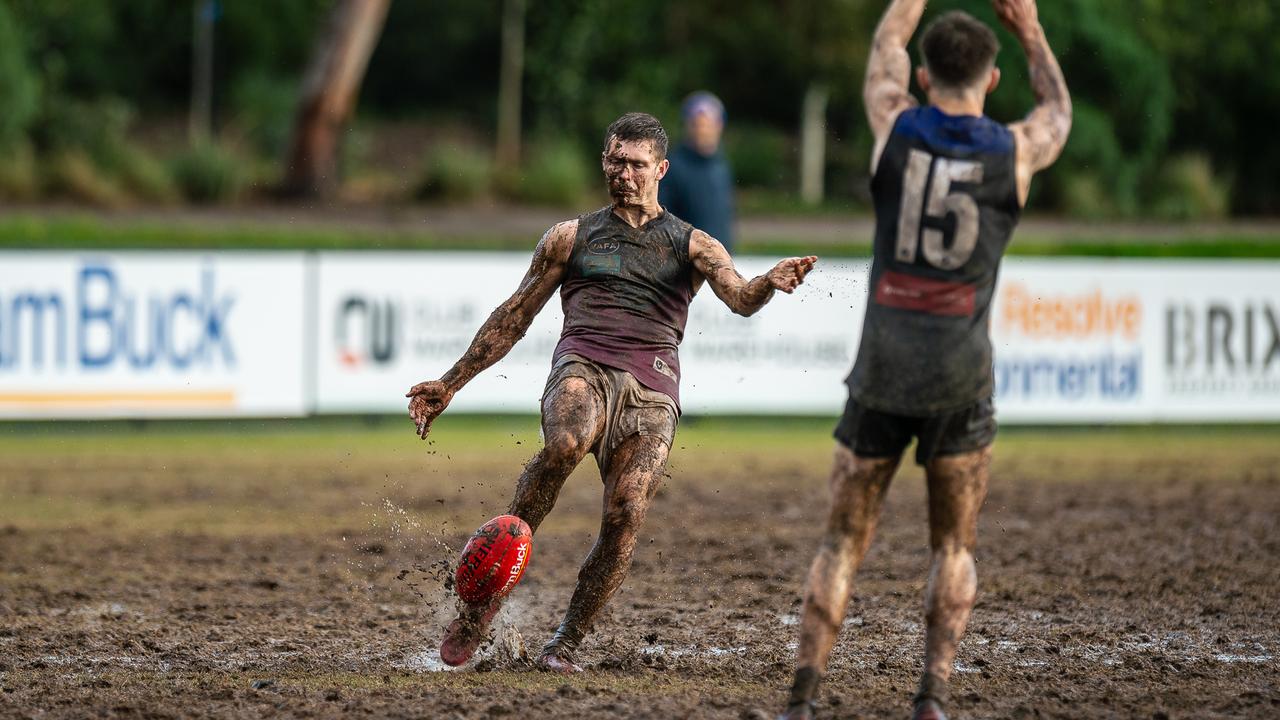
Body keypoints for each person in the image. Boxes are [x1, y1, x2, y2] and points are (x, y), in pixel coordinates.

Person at [406, 112, 817, 673]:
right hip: (584, 366)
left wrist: (769, 282)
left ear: (661, 169)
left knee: (625, 513)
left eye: (637, 164)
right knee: (567, 442)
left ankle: (565, 644)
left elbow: (740, 298)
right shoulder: (569, 237)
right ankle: (480, 610)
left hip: (651, 393)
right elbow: (514, 316)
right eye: (614, 160)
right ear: (604, 161)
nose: (624, 173)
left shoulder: (693, 244)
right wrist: (450, 382)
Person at [777, 1, 1071, 718]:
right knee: (953, 546)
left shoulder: (895, 126)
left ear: (921, 74)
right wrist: (1030, 25)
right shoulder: (1013, 150)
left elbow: (883, 45)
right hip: (961, 376)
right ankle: (933, 696)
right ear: (992, 78)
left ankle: (805, 698)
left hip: (882, 368)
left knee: (843, 542)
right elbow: (1058, 112)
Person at [658, 91, 737, 253]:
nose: (702, 131)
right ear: (687, 125)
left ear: (719, 125)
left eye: (707, 124)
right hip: (685, 261)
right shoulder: (671, 167)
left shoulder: (721, 164)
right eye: (697, 124)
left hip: (722, 259)